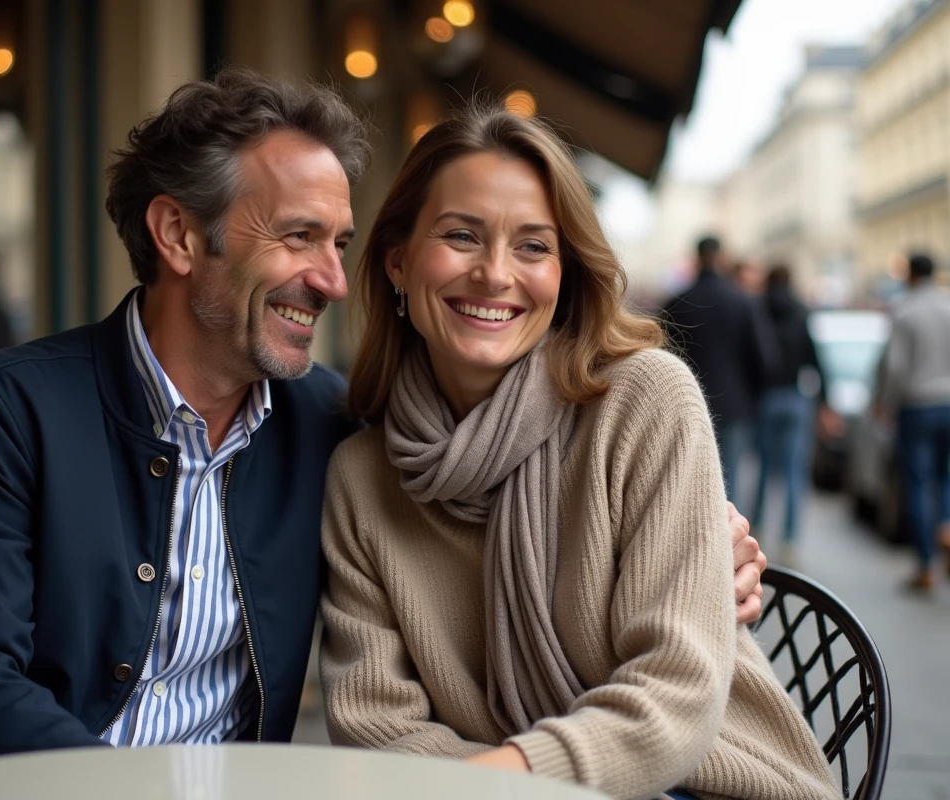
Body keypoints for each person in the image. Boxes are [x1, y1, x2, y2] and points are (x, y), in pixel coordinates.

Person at [0, 69, 766, 785]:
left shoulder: (330, 428)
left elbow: (494, 502)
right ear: (176, 235)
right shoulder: (5, 409)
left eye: (338, 243)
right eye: (296, 237)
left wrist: (703, 545)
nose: (329, 279)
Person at [320, 104, 835, 800]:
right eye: (461, 235)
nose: (496, 273)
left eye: (534, 246)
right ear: (399, 263)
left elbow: (676, 692)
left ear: (565, 276)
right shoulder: (361, 477)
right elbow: (374, 724)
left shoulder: (645, 400)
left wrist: (508, 779)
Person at [662, 237, 777, 504]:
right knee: (728, 484)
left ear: (698, 257)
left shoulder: (677, 303)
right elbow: (765, 360)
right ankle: (724, 543)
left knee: (687, 482)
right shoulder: (744, 302)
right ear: (722, 258)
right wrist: (751, 398)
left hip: (684, 405)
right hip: (734, 406)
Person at [877, 253, 950, 592]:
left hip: (917, 406)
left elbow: (895, 366)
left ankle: (925, 565)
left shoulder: (905, 310)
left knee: (919, 484)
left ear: (910, 276)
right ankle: (947, 527)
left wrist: (885, 403)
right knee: (946, 477)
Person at [751, 264, 831, 566]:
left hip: (765, 398)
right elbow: (816, 359)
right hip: (797, 398)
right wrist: (825, 402)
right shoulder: (801, 312)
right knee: (795, 472)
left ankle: (755, 529)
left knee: (763, 468)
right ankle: (789, 539)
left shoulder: (758, 310)